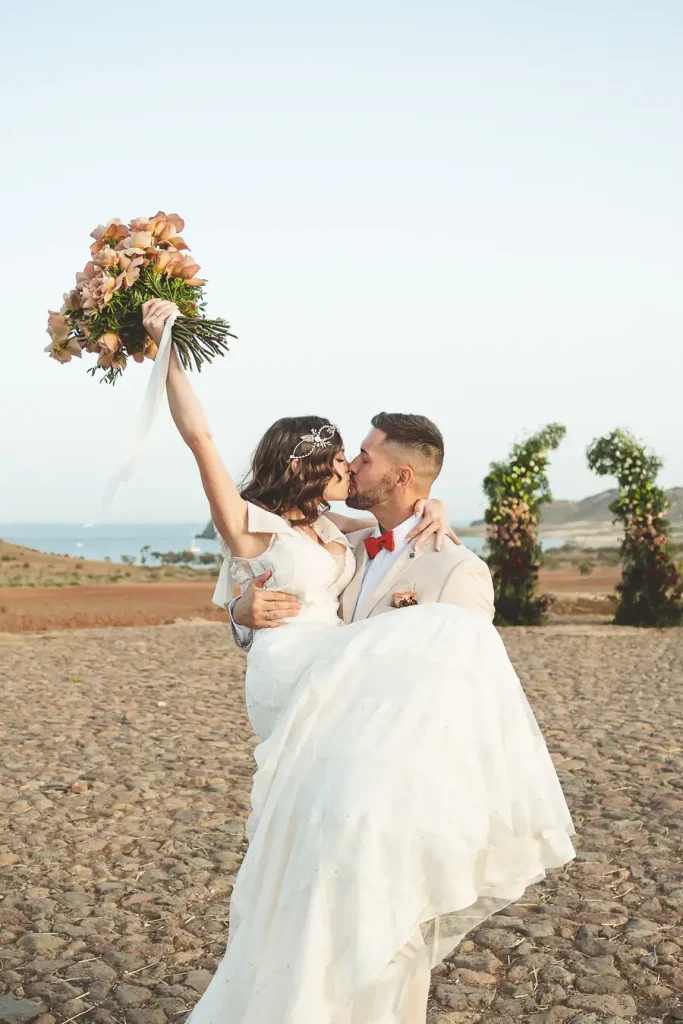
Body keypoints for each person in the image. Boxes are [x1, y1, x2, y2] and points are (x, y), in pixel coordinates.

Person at [143, 299, 575, 1024]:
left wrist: (437, 515)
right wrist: (167, 349)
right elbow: (207, 449)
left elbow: (448, 679)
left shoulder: (389, 547)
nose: (350, 464)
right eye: (341, 458)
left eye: (361, 456)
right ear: (308, 469)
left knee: (362, 893)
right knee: (313, 877)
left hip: (374, 747)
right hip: (304, 696)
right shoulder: (289, 527)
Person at [229, 412, 494, 649]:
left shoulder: (458, 571)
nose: (351, 467)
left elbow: (470, 676)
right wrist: (239, 614)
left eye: (365, 460)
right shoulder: (339, 547)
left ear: (402, 477)